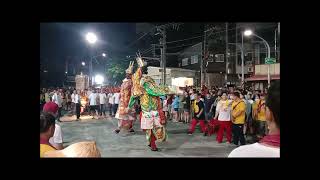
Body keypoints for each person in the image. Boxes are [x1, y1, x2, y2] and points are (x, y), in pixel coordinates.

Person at [229, 81, 280, 157]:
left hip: (240, 120)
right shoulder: (254, 102)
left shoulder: (240, 154)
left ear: (268, 113)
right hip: (240, 120)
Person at [128, 56, 168, 151]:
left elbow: (158, 92)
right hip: (147, 111)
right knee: (149, 129)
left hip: (154, 110)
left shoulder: (149, 83)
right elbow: (134, 96)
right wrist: (129, 106)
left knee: (158, 128)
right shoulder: (140, 87)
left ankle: (152, 142)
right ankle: (152, 143)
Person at [114, 61, 136, 134]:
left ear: (131, 75)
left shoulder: (133, 82)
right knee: (120, 115)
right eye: (127, 74)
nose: (127, 75)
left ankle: (130, 127)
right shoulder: (124, 82)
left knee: (131, 115)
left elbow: (133, 92)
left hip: (130, 100)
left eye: (129, 74)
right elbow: (121, 91)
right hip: (123, 101)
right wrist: (120, 97)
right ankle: (119, 127)